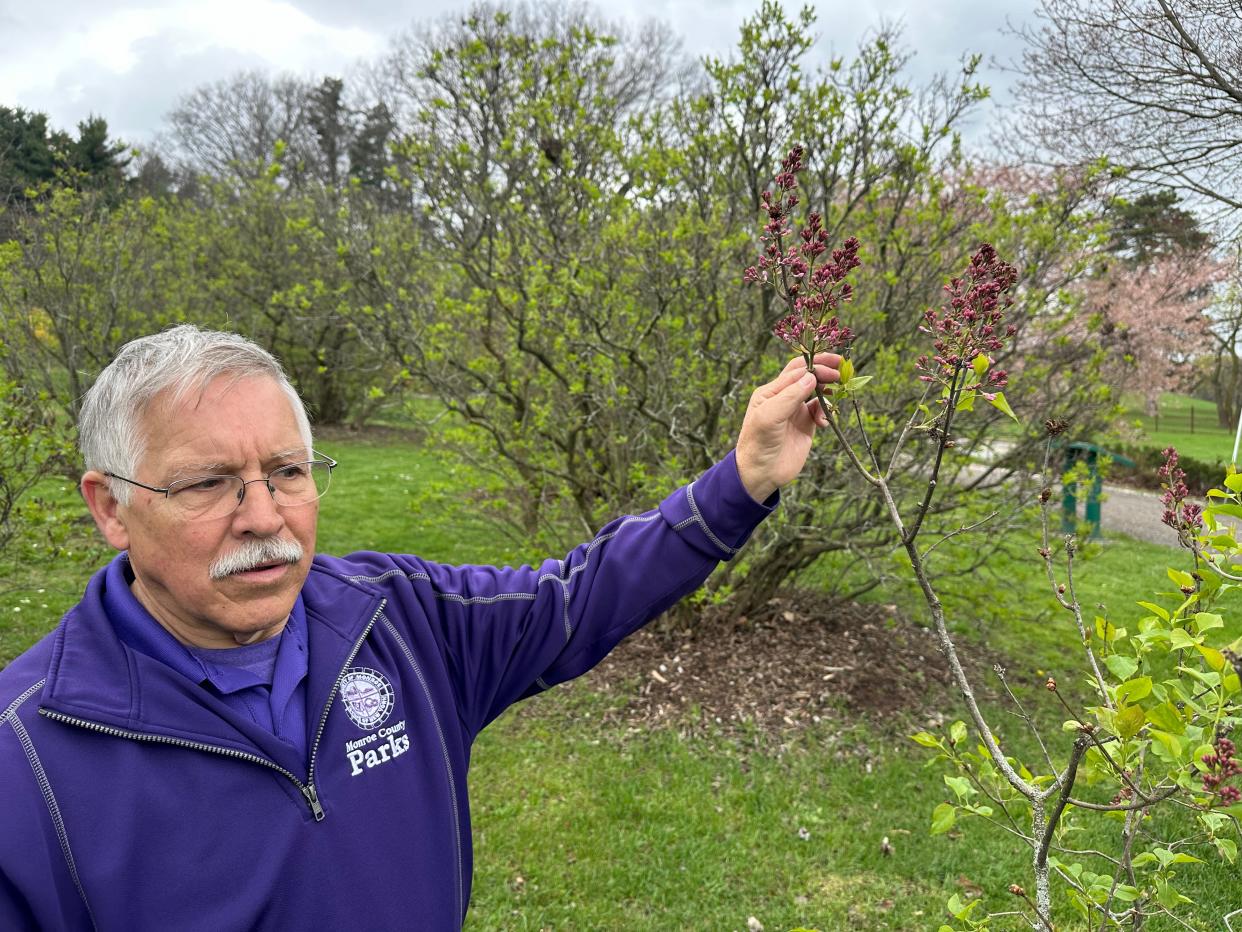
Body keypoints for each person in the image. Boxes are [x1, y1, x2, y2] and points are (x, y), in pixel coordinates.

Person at [0, 325, 840, 930]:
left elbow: (577, 599)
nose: (264, 517)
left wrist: (744, 480)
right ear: (110, 507)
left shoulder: (399, 618)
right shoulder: (28, 758)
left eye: (287, 471)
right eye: (208, 484)